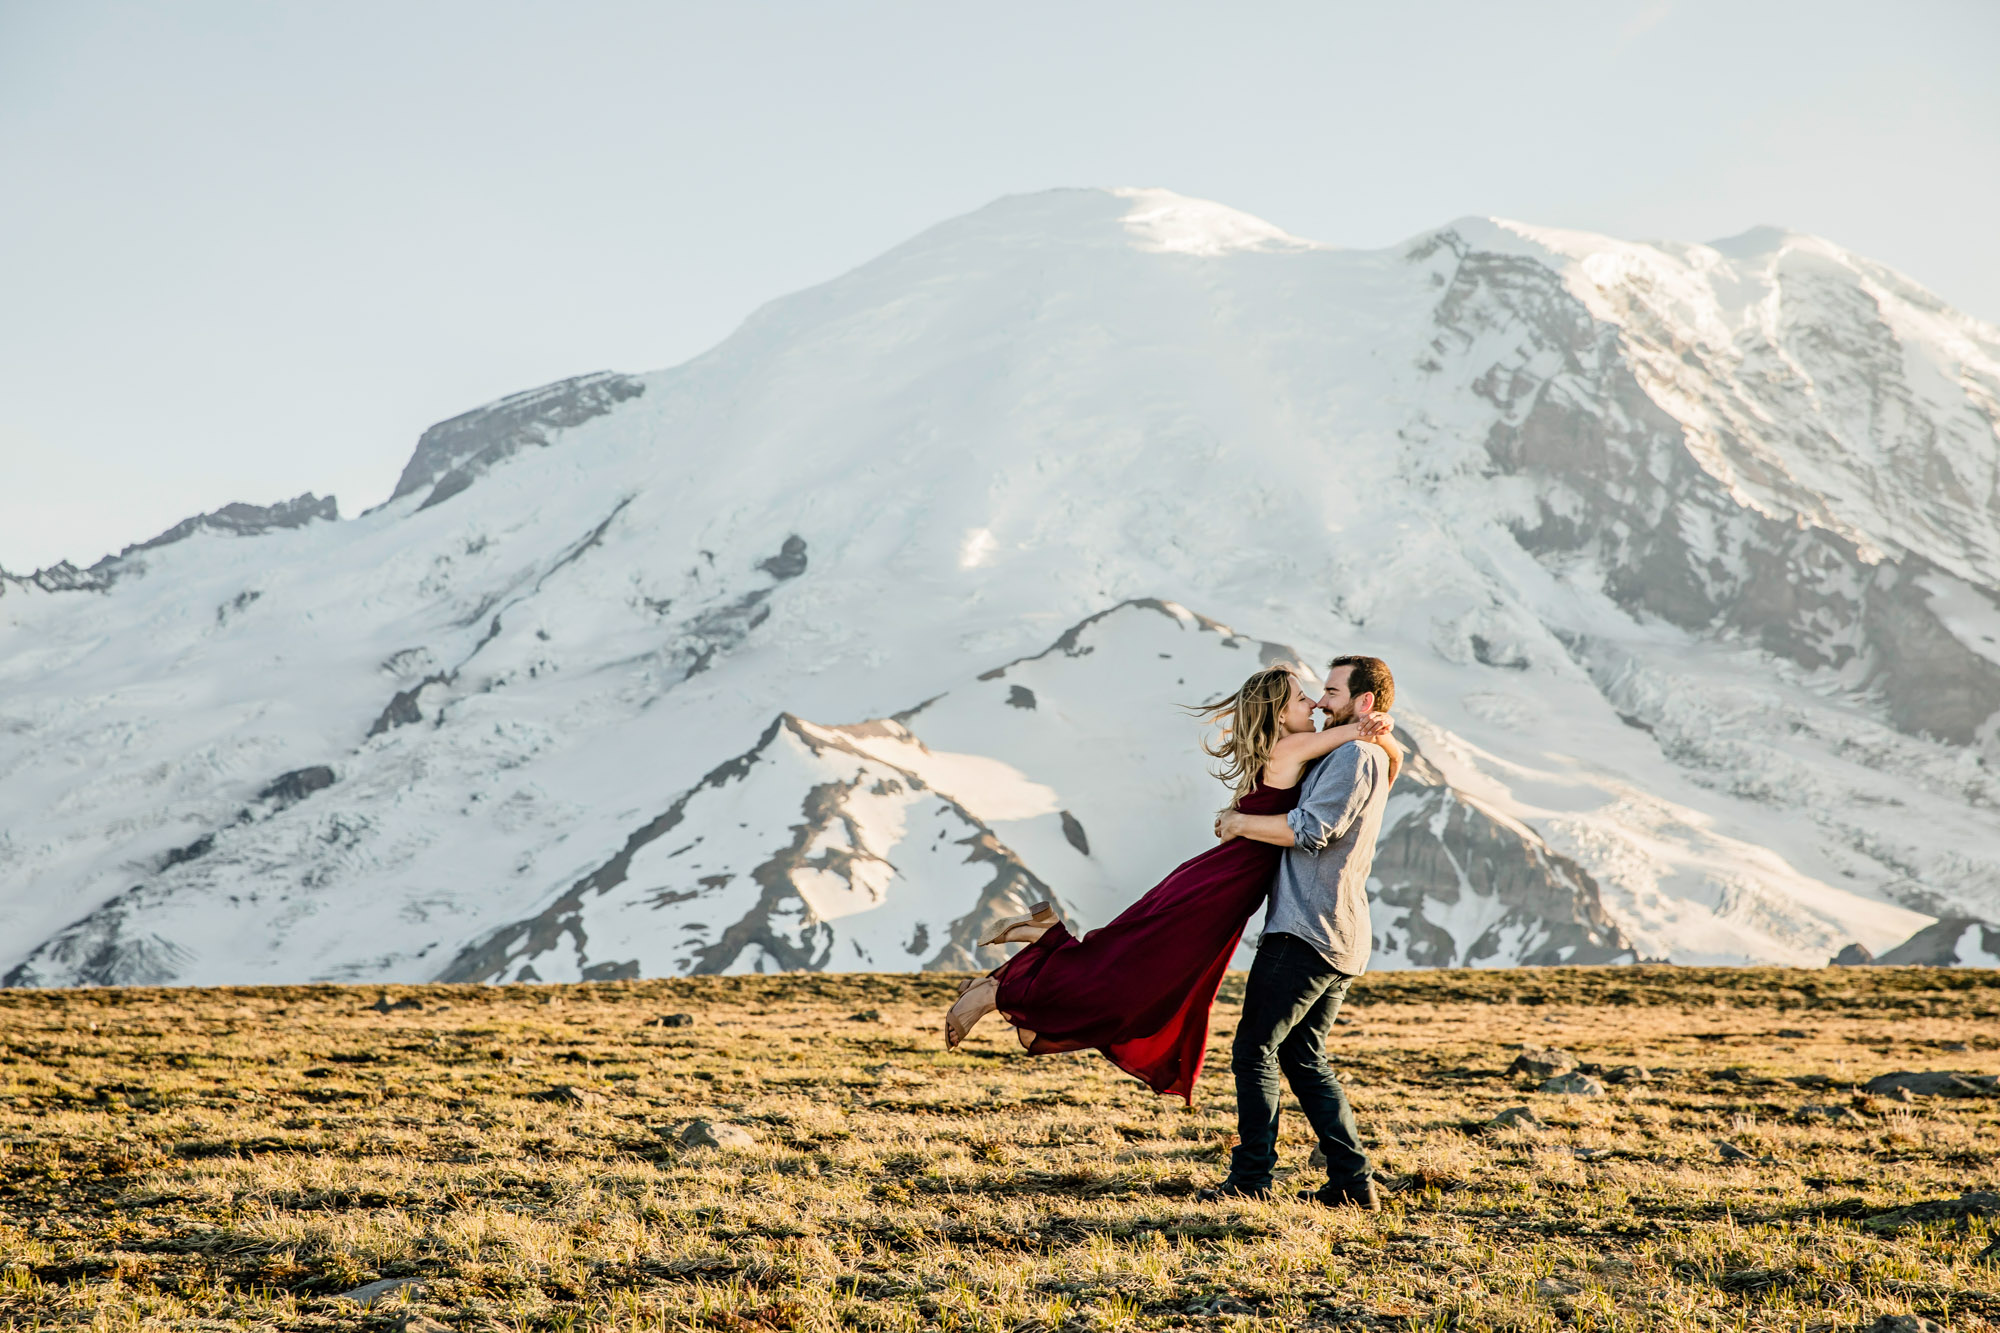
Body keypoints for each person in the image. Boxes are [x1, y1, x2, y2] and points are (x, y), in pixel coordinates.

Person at [940, 663, 1399, 1107]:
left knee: (1137, 955)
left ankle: (1043, 941)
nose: (1316, 706)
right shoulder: (1291, 749)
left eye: (1320, 697)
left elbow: (1373, 751)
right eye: (1303, 699)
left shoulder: (1292, 748)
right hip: (1224, 883)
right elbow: (1361, 736)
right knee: (1144, 970)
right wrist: (1380, 724)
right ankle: (1003, 990)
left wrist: (1385, 737)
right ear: (1280, 714)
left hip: (1226, 879)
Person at [1199, 654, 1398, 1209]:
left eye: (1332, 691)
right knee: (1303, 1058)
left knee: (1254, 1050)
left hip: (1307, 928)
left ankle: (1251, 1180)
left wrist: (1239, 823)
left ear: (1363, 702)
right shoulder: (1355, 749)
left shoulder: (1355, 754)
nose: (1320, 700)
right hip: (1334, 929)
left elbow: (1313, 830)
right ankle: (1353, 1183)